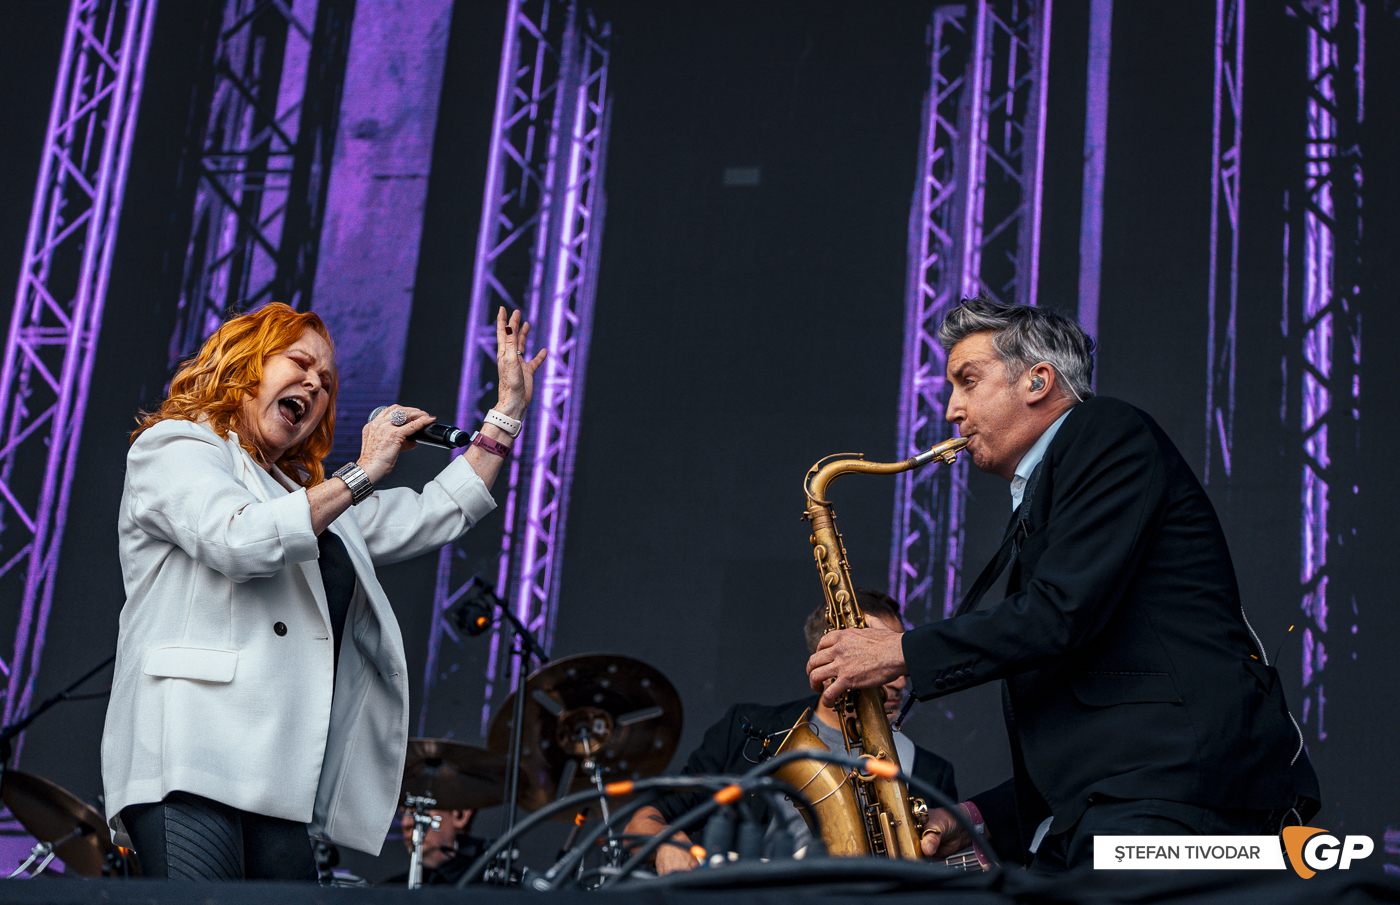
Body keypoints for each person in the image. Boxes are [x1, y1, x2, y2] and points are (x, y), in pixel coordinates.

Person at [806, 297, 1319, 872]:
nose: (952, 409)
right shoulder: (1054, 486)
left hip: (1168, 797)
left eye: (967, 382)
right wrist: (981, 816)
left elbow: (1057, 616)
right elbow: (1087, 713)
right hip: (1118, 803)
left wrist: (898, 651)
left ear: (1038, 380)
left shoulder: (1105, 431)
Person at [102, 302, 546, 880]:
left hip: (279, 779)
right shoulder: (176, 447)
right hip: (188, 756)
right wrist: (361, 471)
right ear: (245, 364)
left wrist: (506, 413)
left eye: (328, 384)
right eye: (299, 363)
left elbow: (437, 511)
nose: (315, 385)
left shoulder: (303, 496)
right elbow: (239, 538)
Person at [626, 590, 958, 875]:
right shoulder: (742, 729)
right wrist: (665, 843)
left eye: (898, 662)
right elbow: (642, 820)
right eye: (882, 659)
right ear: (829, 660)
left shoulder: (932, 773)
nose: (901, 680)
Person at [380, 807, 485, 886]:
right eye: (403, 813)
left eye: (419, 811)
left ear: (460, 815)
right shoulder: (389, 890)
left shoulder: (487, 885)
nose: (405, 823)